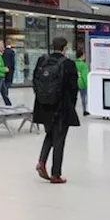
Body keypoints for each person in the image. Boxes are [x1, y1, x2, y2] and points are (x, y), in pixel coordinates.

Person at [33, 37, 80, 184]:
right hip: (61, 107)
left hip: (43, 105)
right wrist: (71, 105)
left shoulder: (42, 61)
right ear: (65, 48)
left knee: (50, 134)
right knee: (59, 140)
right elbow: (73, 89)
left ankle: (41, 162)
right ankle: (56, 174)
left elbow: (35, 81)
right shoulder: (68, 64)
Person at [74, 44, 91, 116]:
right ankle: (84, 110)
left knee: (74, 97)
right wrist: (87, 84)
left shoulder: (73, 63)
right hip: (82, 83)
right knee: (83, 97)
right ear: (82, 56)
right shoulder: (83, 65)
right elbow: (85, 75)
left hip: (74, 82)